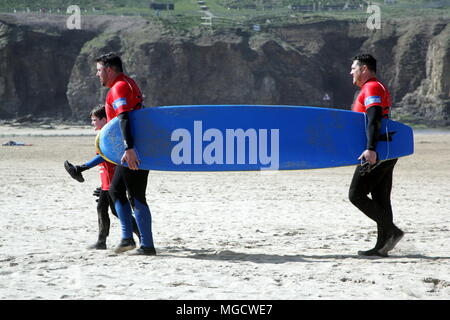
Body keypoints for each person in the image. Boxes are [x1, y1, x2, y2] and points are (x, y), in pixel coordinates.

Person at [95, 52, 156, 255]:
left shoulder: (119, 87)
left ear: (109, 70)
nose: (97, 75)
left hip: (133, 149)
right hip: (137, 147)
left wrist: (129, 148)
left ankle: (136, 241)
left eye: (99, 70)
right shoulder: (128, 83)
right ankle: (137, 241)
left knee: (127, 193)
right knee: (124, 192)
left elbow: (124, 117)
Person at [348, 54, 404, 257]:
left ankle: (392, 230)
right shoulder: (371, 88)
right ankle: (382, 246)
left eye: (353, 68)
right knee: (381, 199)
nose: (350, 72)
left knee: (356, 195)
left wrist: (370, 148)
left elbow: (374, 117)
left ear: (364, 69)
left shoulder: (372, 87)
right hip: (386, 150)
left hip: (377, 152)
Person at [64, 105, 140, 250]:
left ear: (104, 120)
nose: (92, 123)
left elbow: (104, 157)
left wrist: (82, 167)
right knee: (103, 208)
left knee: (115, 211)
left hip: (113, 179)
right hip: (106, 180)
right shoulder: (104, 135)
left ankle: (137, 237)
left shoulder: (110, 136)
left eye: (94, 120)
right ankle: (101, 241)